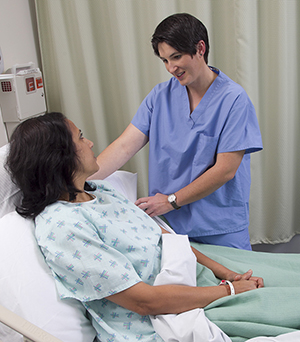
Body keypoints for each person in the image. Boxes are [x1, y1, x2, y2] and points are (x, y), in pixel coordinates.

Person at [6, 112, 265, 342]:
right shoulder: (62, 228)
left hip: (194, 282)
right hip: (160, 322)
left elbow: (164, 237)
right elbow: (144, 301)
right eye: (81, 138)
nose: (91, 143)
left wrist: (226, 273)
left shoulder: (101, 191)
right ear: (59, 156)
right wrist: (229, 290)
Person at [94, 13, 263, 250]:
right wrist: (78, 181)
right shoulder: (160, 97)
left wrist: (172, 201)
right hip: (171, 224)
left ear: (200, 48)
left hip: (219, 225)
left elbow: (226, 169)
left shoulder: (234, 100)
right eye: (164, 60)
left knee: (241, 283)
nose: (171, 68)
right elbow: (124, 146)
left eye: (176, 57)